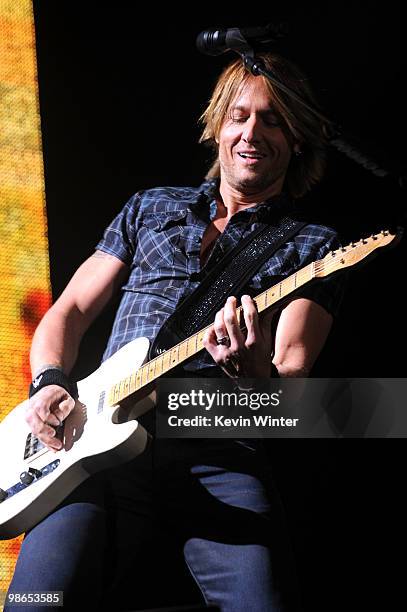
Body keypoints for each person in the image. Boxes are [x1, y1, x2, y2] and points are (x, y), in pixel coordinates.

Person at [6, 52, 345, 611]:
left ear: (298, 138)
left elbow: (293, 382)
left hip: (218, 445)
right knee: (35, 602)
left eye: (273, 119)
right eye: (239, 116)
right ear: (217, 127)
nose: (252, 132)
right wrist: (49, 382)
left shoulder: (312, 247)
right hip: (94, 443)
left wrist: (250, 373)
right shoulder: (150, 207)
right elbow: (67, 311)